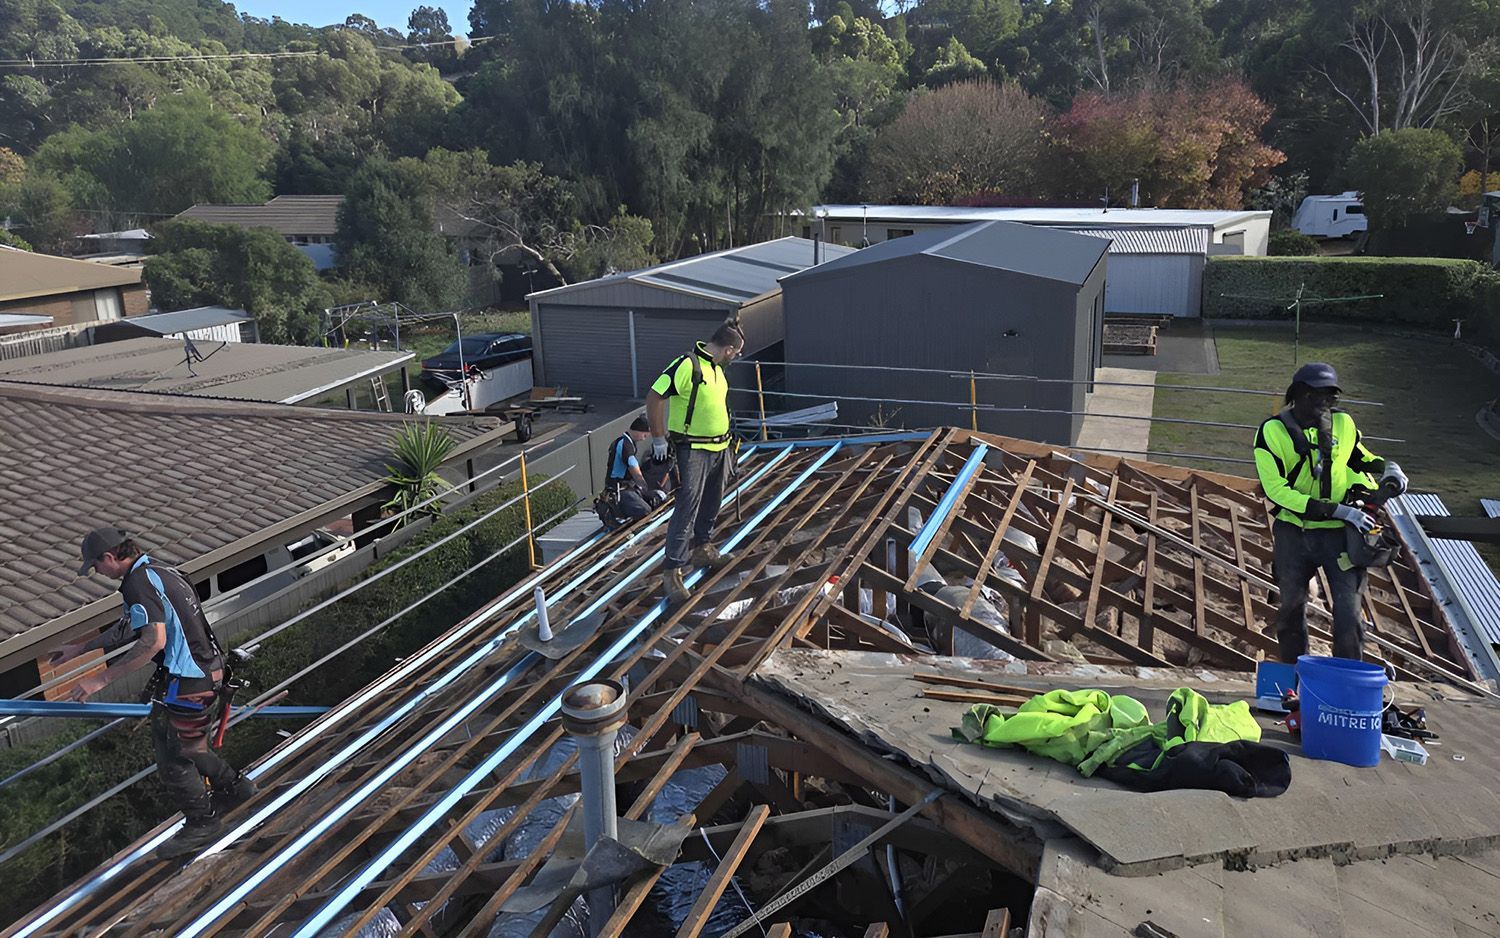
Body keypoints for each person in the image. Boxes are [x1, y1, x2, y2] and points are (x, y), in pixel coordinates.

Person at [51, 526, 256, 860]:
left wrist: (101, 680)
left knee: (174, 758)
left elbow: (153, 641)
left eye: (96, 566)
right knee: (188, 746)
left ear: (109, 557)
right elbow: (130, 626)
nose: (97, 572)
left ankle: (203, 823)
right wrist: (81, 648)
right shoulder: (161, 571)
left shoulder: (137, 583)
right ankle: (236, 786)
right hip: (206, 672)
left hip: (188, 681)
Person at [1251, 363, 1407, 662]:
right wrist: (1337, 510)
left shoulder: (1343, 424)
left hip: (1338, 537)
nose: (1325, 402)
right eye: (1318, 395)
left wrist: (1388, 467)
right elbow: (1276, 491)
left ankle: (1344, 677)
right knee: (1291, 610)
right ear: (1299, 394)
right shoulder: (1272, 432)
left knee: (1349, 614)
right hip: (1294, 532)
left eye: (1331, 396)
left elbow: (1360, 458)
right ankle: (1296, 675)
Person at [647, 319, 745, 602]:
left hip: (720, 447)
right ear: (728, 350)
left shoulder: (717, 370)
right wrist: (658, 438)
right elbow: (654, 397)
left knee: (712, 500)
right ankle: (673, 570)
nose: (735, 357)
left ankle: (703, 548)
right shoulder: (687, 365)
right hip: (693, 450)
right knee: (687, 505)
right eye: (736, 353)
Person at [602, 416, 665, 524]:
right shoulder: (624, 444)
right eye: (645, 434)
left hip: (628, 487)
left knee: (655, 499)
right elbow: (633, 468)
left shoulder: (629, 443)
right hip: (619, 491)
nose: (646, 437)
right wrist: (645, 486)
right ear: (638, 430)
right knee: (645, 511)